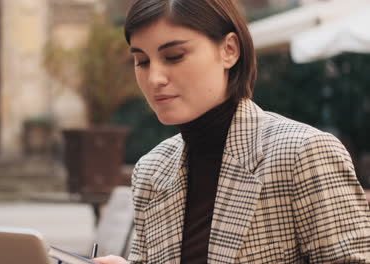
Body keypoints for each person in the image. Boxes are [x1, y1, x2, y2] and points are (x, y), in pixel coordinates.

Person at [94, 0, 370, 263]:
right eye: (142, 61)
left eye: (174, 56)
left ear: (229, 50)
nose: (155, 78)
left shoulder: (303, 153)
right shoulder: (151, 171)